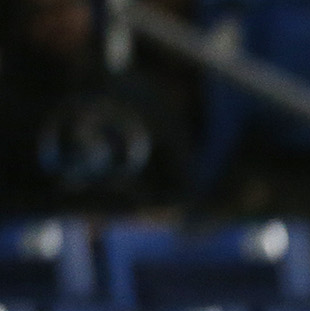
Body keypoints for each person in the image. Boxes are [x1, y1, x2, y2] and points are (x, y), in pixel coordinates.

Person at [0, 0, 190, 215]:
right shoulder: (11, 109)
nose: (60, 21)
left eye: (67, 7)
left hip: (138, 238)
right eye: (43, 13)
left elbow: (181, 191)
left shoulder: (137, 94)